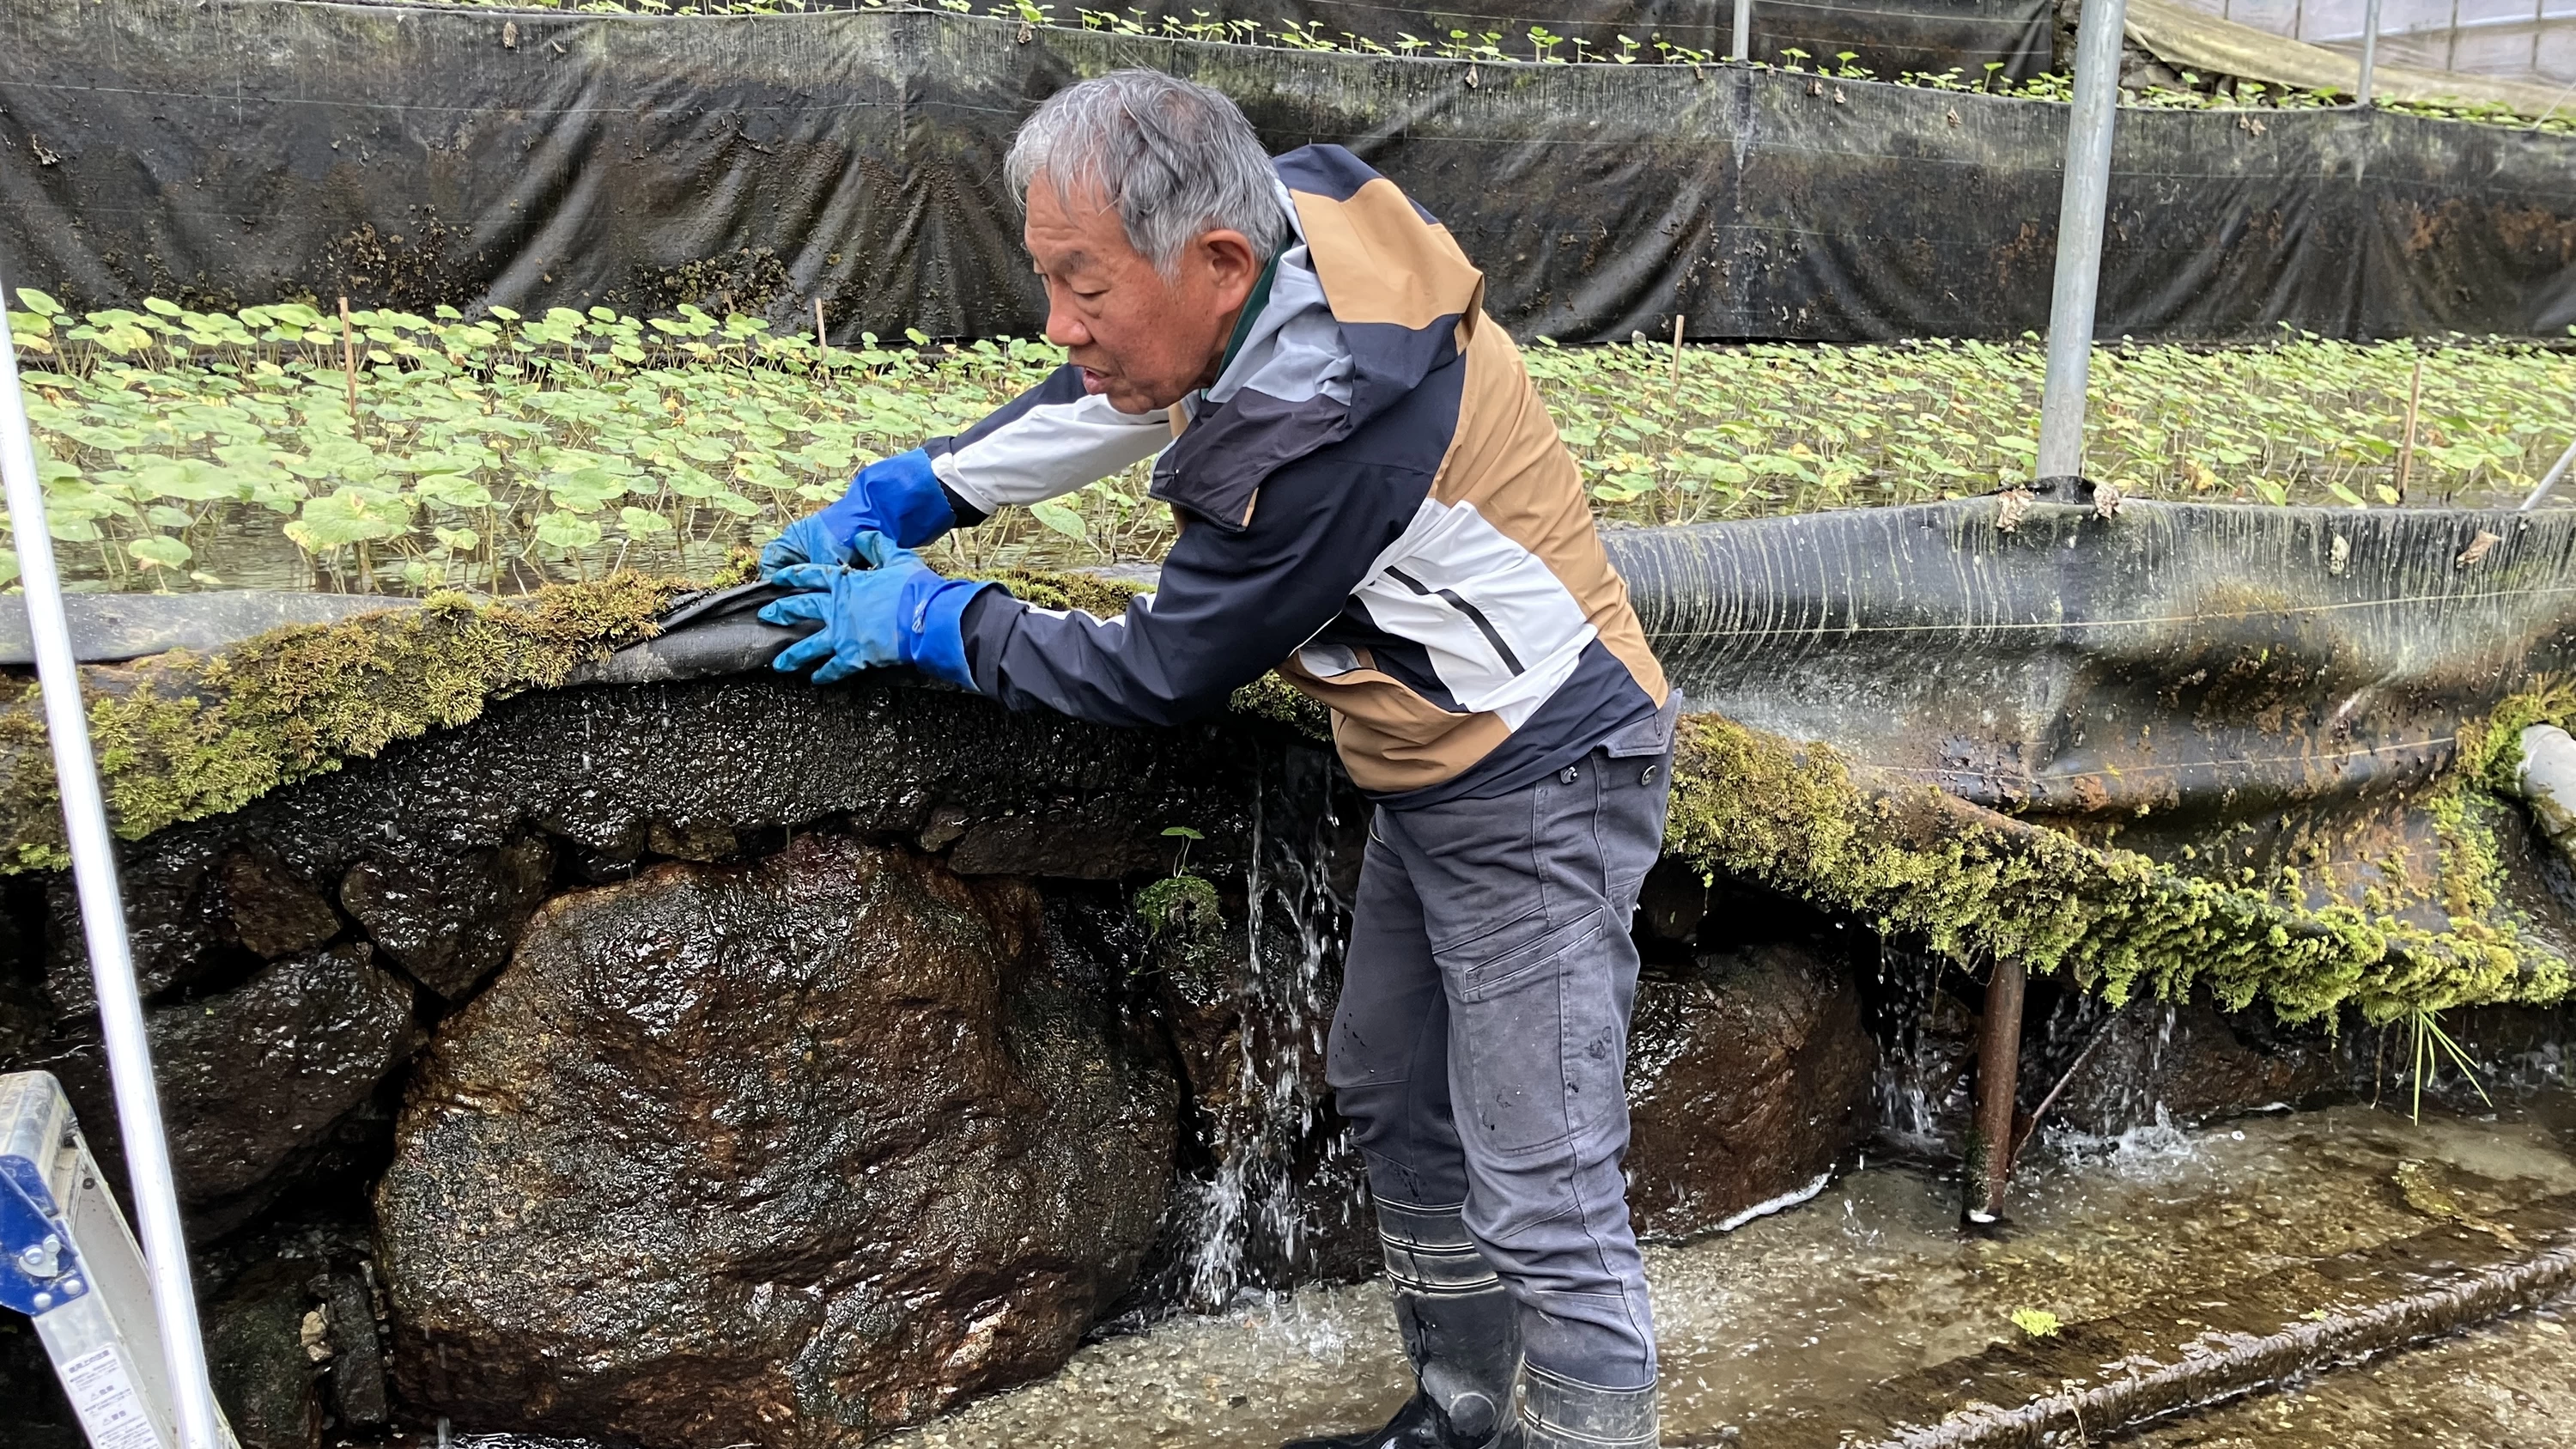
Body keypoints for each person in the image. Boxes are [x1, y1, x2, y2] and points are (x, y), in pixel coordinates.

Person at [756, 69, 1675, 1449]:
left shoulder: (1328, 447)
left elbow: (1160, 669)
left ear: (1221, 261)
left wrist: (939, 621)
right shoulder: (1270, 238)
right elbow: (1125, 381)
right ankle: (1464, 1408)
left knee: (1545, 1180)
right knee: (1385, 1085)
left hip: (1545, 770)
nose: (1061, 327)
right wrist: (929, 484)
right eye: (1048, 280)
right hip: (1431, 762)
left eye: (1084, 286)